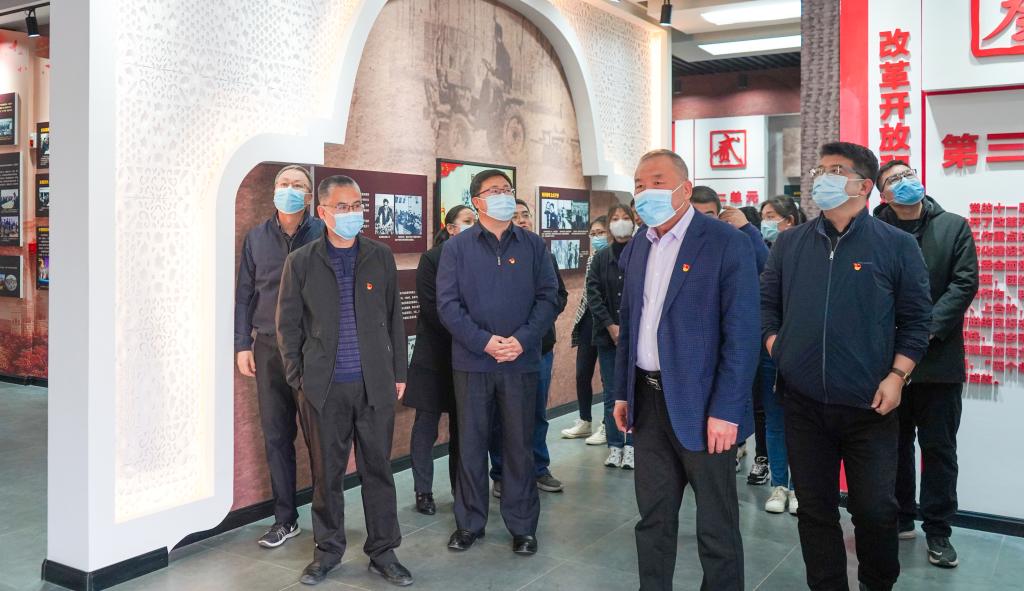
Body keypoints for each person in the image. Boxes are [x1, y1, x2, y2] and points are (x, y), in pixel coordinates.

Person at [761, 142, 932, 591]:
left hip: (869, 406)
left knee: (875, 510)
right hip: (803, 404)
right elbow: (766, 306)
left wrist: (897, 376)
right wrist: (779, 347)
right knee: (815, 509)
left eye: (835, 170)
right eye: (819, 170)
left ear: (864, 185)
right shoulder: (790, 243)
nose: (822, 177)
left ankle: (878, 584)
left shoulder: (896, 245)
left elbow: (918, 320)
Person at [613, 149, 759, 591]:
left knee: (716, 524)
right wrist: (621, 392)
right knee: (653, 518)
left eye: (657, 181)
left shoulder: (724, 242)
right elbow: (631, 323)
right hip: (647, 399)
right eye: (639, 185)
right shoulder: (639, 244)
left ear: (685, 188)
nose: (646, 192)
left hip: (704, 405)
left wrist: (727, 410)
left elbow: (742, 334)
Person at [276, 175, 413, 587]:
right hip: (323, 388)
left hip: (375, 385)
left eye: (357, 205)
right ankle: (327, 551)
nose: (353, 213)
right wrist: (299, 379)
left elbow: (394, 318)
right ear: (322, 212)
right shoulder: (301, 261)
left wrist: (399, 373)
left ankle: (384, 552)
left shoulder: (379, 256)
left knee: (378, 471)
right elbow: (288, 326)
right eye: (343, 206)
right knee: (327, 475)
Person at [437, 170, 559, 556]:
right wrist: (485, 342)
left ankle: (523, 526)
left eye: (508, 190)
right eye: (495, 191)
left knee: (519, 446)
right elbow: (448, 305)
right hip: (473, 363)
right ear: (477, 201)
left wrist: (521, 341)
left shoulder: (533, 245)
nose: (504, 196)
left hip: (520, 363)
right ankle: (469, 524)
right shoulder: (457, 248)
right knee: (471, 445)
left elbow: (549, 297)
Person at [874, 160, 978, 568]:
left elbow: (964, 283)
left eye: (906, 175)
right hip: (886, 363)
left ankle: (939, 530)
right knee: (892, 447)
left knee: (939, 450)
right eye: (892, 180)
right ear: (882, 194)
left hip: (939, 362)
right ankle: (900, 517)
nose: (903, 183)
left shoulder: (953, 226)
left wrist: (923, 332)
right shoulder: (873, 231)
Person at [234, 164, 324, 548]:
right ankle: (285, 519)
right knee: (276, 435)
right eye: (284, 184)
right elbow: (245, 294)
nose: (290, 189)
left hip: (313, 347)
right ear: (274, 191)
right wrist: (242, 344)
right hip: (268, 347)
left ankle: (327, 522)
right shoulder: (256, 238)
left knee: (320, 436)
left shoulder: (324, 233)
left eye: (298, 185)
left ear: (309, 196)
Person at [689, 185, 771, 479]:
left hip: (736, 344)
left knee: (749, 403)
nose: (702, 221)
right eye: (696, 214)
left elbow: (767, 268)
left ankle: (754, 453)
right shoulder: (677, 247)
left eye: (709, 214)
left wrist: (747, 229)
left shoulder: (734, 243)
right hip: (695, 352)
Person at [489, 198, 569, 495]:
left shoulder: (541, 251)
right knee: (499, 416)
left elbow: (558, 295)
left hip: (537, 347)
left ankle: (538, 468)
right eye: (515, 215)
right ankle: (500, 472)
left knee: (536, 413)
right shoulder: (494, 254)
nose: (522, 220)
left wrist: (534, 324)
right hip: (499, 349)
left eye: (526, 214)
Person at [404, 204, 477, 516]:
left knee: (463, 427)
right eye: (467, 221)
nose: (474, 225)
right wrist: (470, 332)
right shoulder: (431, 259)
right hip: (434, 354)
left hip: (468, 354)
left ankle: (461, 488)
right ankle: (423, 491)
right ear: (450, 228)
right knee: (426, 425)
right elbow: (433, 307)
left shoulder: (479, 258)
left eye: (475, 220)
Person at [757, 195, 805, 513]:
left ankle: (799, 487)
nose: (767, 222)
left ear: (789, 221)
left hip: (802, 351)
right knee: (774, 420)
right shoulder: (765, 253)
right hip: (770, 350)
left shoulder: (807, 253)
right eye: (764, 216)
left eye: (772, 216)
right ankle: (778, 485)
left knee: (801, 424)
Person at [587, 205, 637, 468]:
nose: (620, 223)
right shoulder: (601, 257)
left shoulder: (641, 252)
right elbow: (593, 294)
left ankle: (632, 445)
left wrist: (627, 327)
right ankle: (615, 445)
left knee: (634, 391)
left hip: (636, 337)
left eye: (625, 218)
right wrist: (610, 325)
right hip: (607, 337)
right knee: (611, 392)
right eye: (615, 219)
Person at [562, 217, 610, 443]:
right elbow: (588, 293)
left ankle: (607, 425)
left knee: (607, 377)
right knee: (582, 373)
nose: (597, 237)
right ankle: (584, 420)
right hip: (588, 320)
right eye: (593, 233)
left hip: (607, 322)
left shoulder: (616, 257)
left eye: (601, 232)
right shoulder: (592, 258)